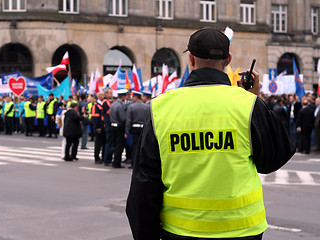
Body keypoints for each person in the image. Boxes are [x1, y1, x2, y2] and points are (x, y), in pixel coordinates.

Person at [126, 26, 295, 240]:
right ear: (228, 60)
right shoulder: (249, 105)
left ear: (192, 59)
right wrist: (256, 99)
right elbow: (272, 160)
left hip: (181, 231)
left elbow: (144, 185)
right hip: (242, 231)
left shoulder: (160, 108)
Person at [125, 91, 149, 169]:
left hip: (134, 128)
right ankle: (142, 164)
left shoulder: (131, 107)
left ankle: (133, 163)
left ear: (136, 97)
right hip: (144, 128)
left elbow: (129, 120)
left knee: (135, 146)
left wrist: (127, 130)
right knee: (144, 146)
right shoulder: (147, 106)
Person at [109, 89, 127, 168]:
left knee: (114, 144)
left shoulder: (113, 104)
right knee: (119, 146)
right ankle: (117, 163)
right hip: (119, 127)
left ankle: (114, 161)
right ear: (123, 96)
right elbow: (123, 118)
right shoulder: (120, 106)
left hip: (113, 125)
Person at [92, 92, 106, 164]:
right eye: (102, 95)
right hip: (99, 127)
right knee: (98, 144)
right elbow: (94, 117)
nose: (104, 96)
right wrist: (97, 127)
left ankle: (103, 157)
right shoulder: (95, 105)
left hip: (104, 127)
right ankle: (97, 158)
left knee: (104, 143)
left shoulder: (104, 103)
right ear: (99, 96)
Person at [103, 87, 113, 166]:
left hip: (108, 123)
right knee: (109, 142)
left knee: (109, 142)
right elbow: (110, 112)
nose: (111, 95)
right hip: (108, 124)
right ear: (106, 94)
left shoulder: (108, 101)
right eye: (110, 93)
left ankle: (106, 158)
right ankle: (107, 160)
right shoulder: (106, 102)